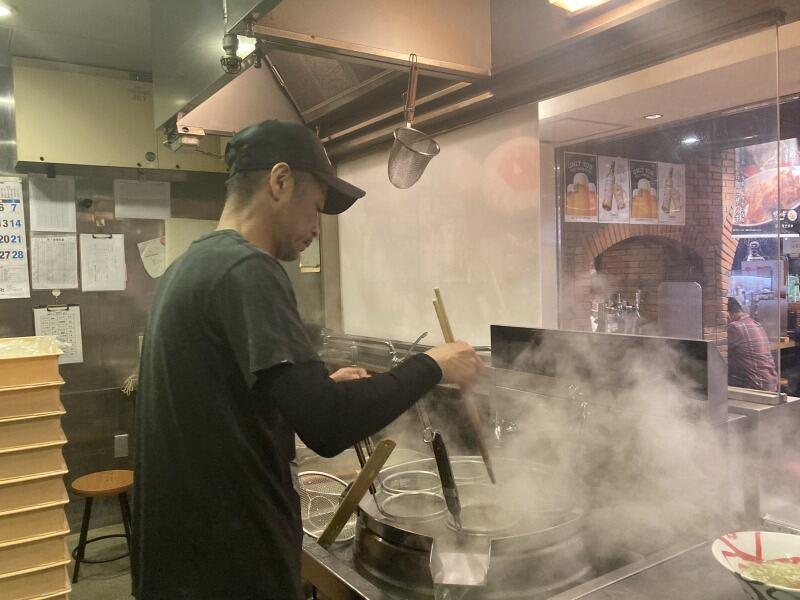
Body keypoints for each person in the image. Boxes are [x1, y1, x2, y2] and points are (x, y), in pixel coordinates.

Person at [131, 120, 483, 600]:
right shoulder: (248, 268)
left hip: (187, 565)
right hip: (232, 572)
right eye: (316, 208)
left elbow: (229, 403)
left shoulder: (191, 267)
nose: (317, 229)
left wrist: (320, 384)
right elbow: (328, 423)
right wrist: (434, 365)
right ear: (280, 181)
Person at [727, 297, 778, 391]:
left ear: (727, 315)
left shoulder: (735, 327)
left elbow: (719, 350)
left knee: (713, 380)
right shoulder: (756, 324)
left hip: (756, 386)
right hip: (770, 384)